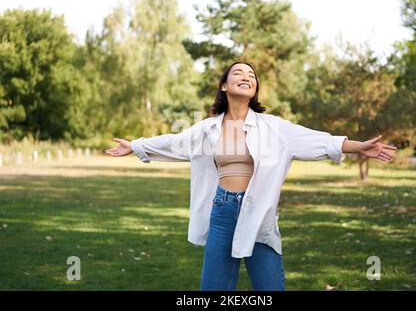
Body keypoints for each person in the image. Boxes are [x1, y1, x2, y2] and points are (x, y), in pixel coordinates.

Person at [105, 61, 397, 291]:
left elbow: (319, 140)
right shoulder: (207, 128)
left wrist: (361, 147)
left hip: (258, 212)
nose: (246, 77)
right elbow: (173, 142)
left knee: (269, 286)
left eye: (252, 75)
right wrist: (134, 146)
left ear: (255, 88)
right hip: (221, 211)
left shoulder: (274, 127)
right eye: (238, 73)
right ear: (224, 85)